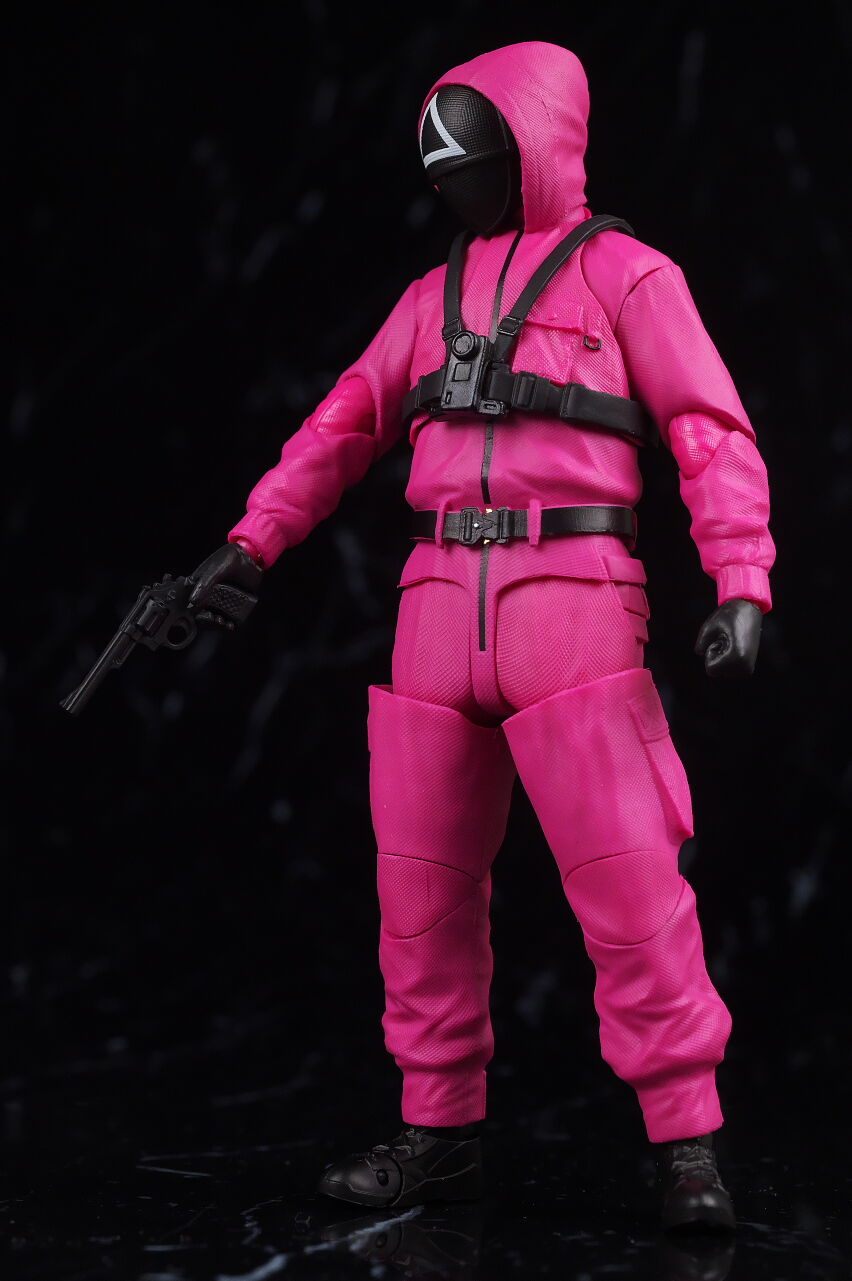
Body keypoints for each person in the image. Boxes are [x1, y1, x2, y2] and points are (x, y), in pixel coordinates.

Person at [189, 42, 774, 1230]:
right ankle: (437, 1131)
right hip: (435, 607)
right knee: (420, 897)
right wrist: (248, 545)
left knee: (632, 887)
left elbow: (710, 429)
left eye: (470, 155)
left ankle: (688, 1144)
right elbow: (340, 427)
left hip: (575, 604)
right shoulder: (429, 299)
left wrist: (742, 577)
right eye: (437, 162)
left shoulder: (627, 276)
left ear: (535, 145)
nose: (448, 178)